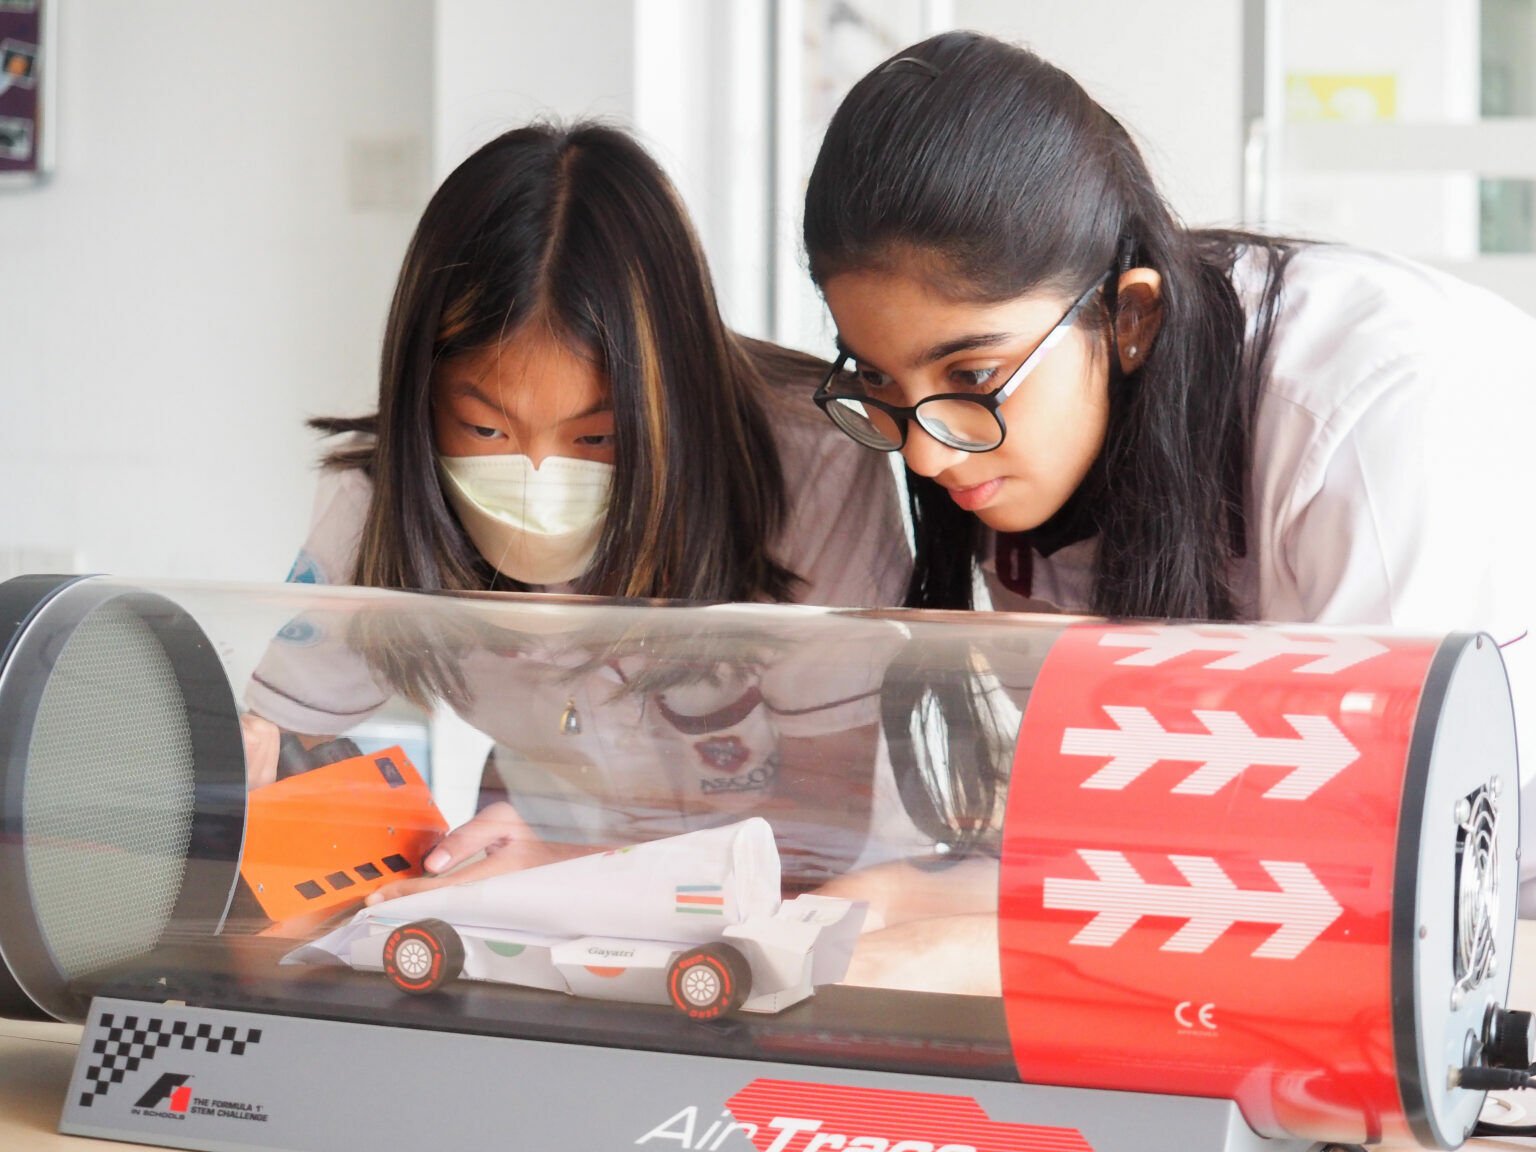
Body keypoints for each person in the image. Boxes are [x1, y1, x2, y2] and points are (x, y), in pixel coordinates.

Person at [798, 31, 1536, 940]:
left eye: (973, 377)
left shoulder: (1363, 420)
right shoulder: (1024, 443)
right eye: (879, 382)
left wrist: (962, 904)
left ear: (1131, 315)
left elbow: (1370, 847)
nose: (924, 456)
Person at [241, 121, 916, 899]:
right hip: (547, 915)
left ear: (669, 404)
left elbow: (820, 827)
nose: (536, 476)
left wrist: (567, 875)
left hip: (807, 926)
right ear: (422, 396)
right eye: (486, 428)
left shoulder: (809, 463)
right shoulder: (382, 499)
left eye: (596, 436)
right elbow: (275, 741)